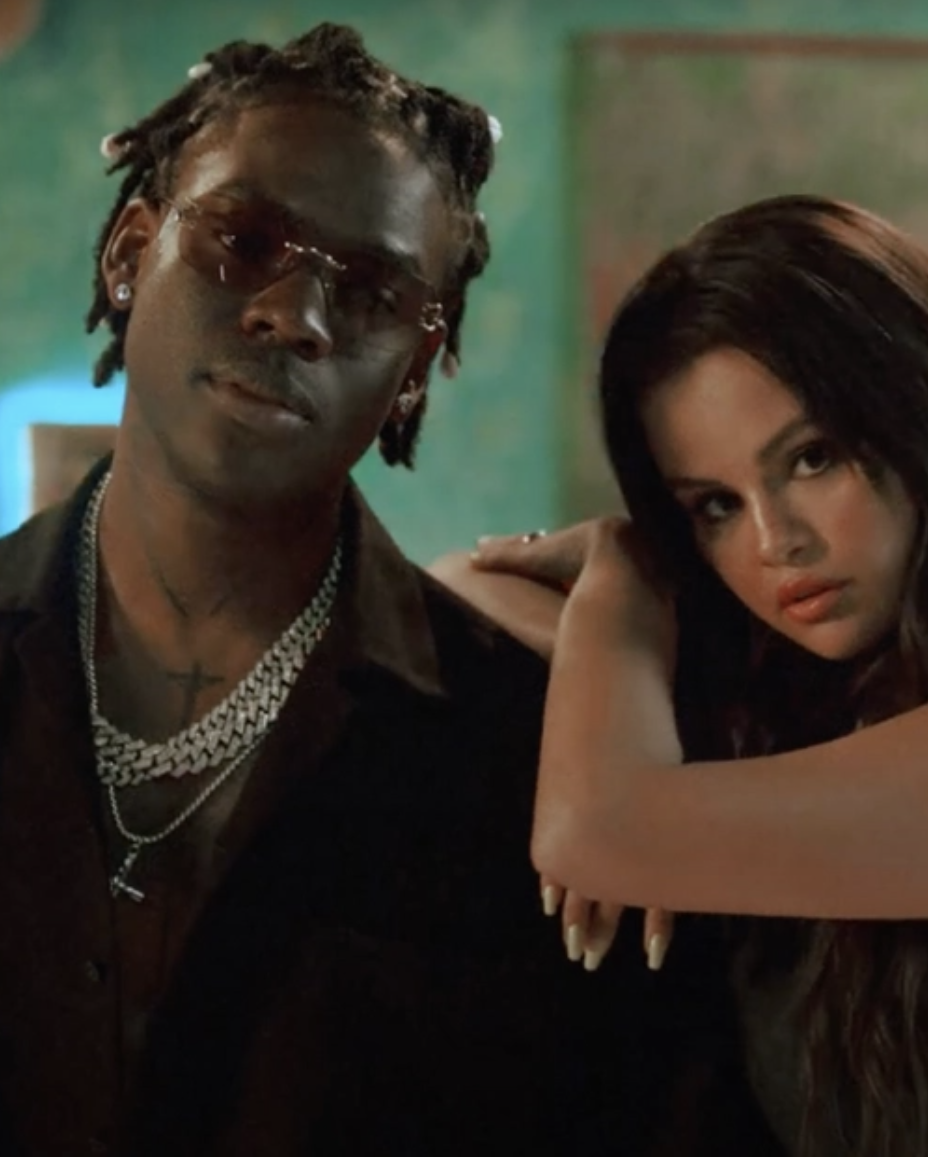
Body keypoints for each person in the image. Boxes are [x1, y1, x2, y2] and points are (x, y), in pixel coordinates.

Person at [0, 24, 768, 1154]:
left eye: (367, 291)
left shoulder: (534, 759)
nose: (293, 317)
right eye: (242, 239)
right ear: (129, 253)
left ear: (415, 367)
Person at [437, 194, 928, 1155]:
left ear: (920, 411)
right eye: (714, 506)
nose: (778, 543)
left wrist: (624, 572)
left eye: (813, 458)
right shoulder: (809, 702)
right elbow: (446, 596)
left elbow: (592, 833)